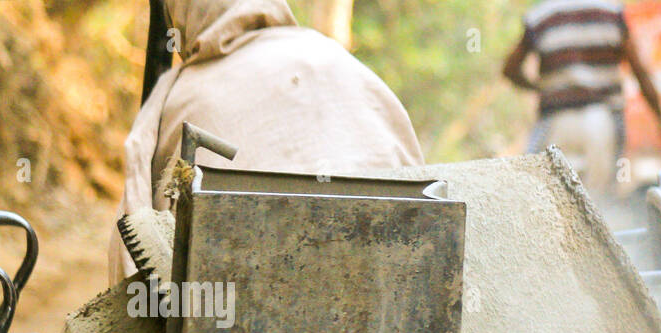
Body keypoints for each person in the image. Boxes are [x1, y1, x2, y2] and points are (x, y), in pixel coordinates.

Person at [109, 0, 425, 284]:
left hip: (236, 311)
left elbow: (138, 243)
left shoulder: (175, 100)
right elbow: (419, 186)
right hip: (387, 279)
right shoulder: (347, 66)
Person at [503, 0, 661, 196]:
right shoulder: (610, 12)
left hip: (556, 124)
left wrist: (541, 87)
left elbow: (510, 69)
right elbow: (640, 73)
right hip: (602, 122)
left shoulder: (541, 17)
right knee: (600, 203)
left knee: (548, 197)